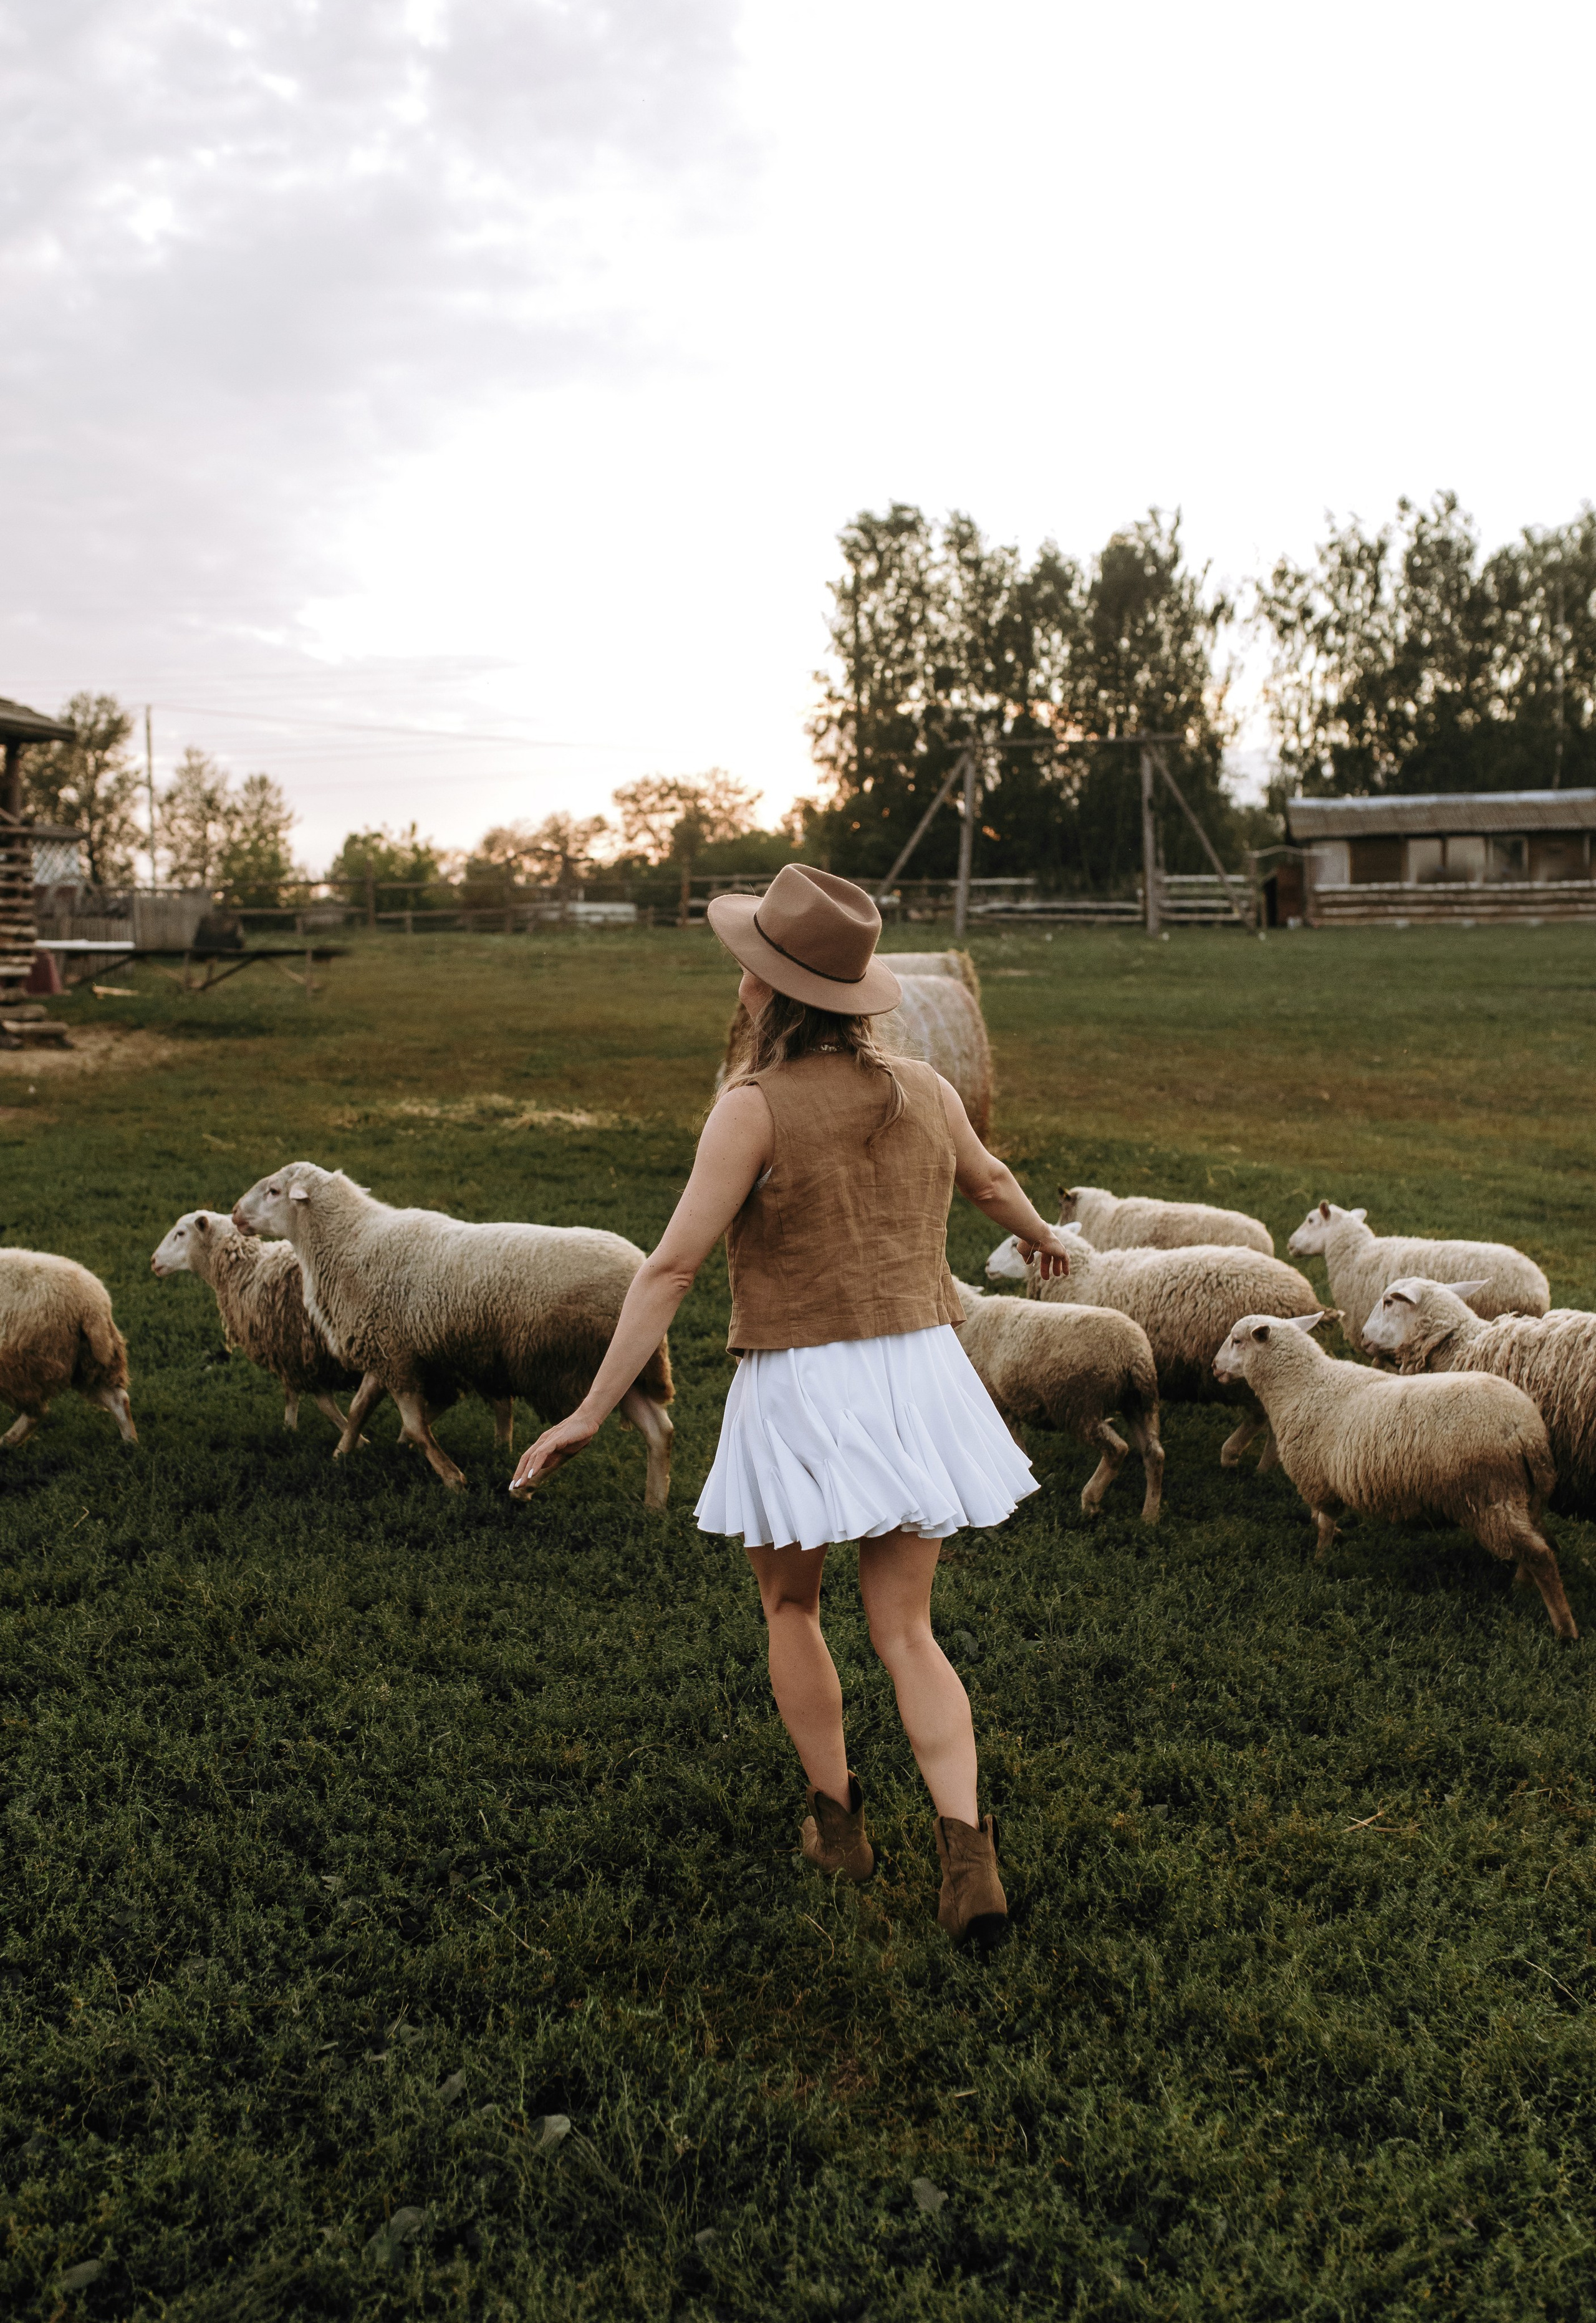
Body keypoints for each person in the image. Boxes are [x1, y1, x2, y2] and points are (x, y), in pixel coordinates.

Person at [510, 865, 1072, 1945]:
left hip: (805, 1379)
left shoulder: (751, 1107)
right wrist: (1044, 1236)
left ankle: (841, 1825)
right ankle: (968, 1860)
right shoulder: (927, 1089)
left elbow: (668, 1270)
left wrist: (589, 1409)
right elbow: (993, 1181)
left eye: (747, 971)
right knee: (906, 1628)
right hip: (917, 1373)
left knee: (793, 1608)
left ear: (768, 991)